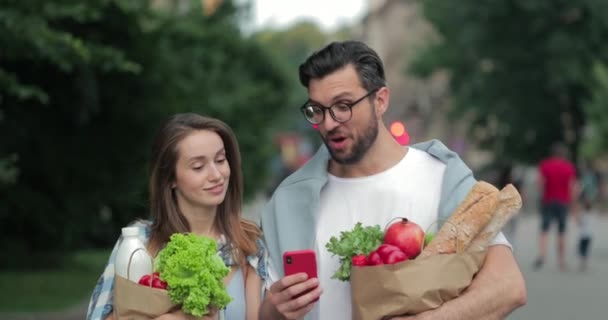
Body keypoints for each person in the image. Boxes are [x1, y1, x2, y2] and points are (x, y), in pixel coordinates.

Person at [258, 41, 527, 320]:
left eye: (343, 105)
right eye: (318, 110)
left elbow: (507, 287)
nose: (329, 123)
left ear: (381, 100)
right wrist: (274, 311)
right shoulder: (289, 202)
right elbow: (262, 312)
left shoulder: (443, 178)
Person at [86, 113, 268, 320]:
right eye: (198, 167)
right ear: (170, 178)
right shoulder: (138, 242)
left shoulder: (248, 243)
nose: (216, 175)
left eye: (220, 160)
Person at [534, 142, 577, 271]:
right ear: (563, 154)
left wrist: (541, 195)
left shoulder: (545, 165)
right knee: (561, 231)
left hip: (548, 201)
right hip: (563, 202)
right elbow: (572, 187)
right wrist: (573, 203)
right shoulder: (569, 167)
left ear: (552, 153)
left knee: (544, 229)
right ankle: (561, 260)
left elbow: (539, 183)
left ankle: (542, 256)